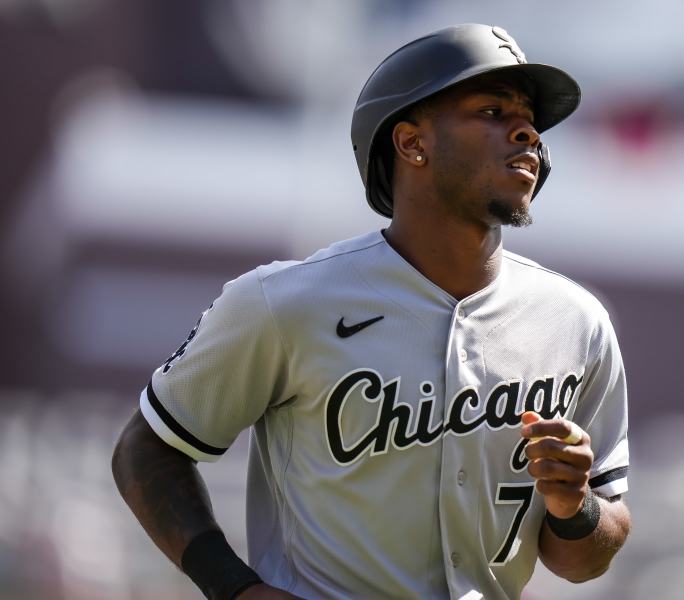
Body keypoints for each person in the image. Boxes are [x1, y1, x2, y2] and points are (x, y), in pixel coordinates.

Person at [112, 23, 631, 600]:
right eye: (491, 110)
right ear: (412, 144)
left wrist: (575, 506)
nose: (528, 131)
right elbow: (147, 447)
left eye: (531, 118)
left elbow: (583, 561)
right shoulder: (286, 302)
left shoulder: (576, 323)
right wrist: (233, 587)